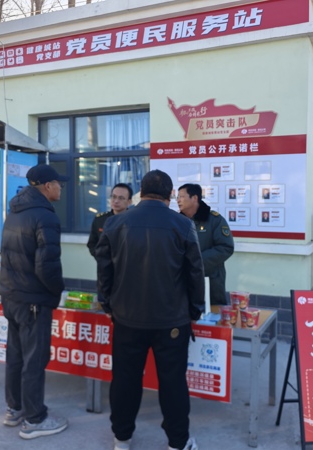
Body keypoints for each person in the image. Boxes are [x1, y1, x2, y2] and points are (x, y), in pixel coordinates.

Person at [96, 170, 204, 450]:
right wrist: (195, 311)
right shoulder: (183, 225)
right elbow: (195, 273)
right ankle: (178, 443)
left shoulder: (115, 223)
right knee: (173, 383)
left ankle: (121, 439)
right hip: (172, 320)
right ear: (170, 195)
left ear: (141, 193)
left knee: (125, 380)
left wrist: (107, 304)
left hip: (127, 318)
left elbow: (104, 269)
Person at [0, 163, 69, 440]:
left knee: (16, 355)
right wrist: (56, 292)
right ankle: (34, 419)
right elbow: (47, 266)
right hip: (33, 300)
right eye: (58, 183)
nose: (61, 188)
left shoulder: (15, 210)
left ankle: (14, 409)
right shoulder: (45, 215)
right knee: (34, 359)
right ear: (47, 186)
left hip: (11, 295)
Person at [177, 183, 234, 306]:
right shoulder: (177, 221)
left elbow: (225, 247)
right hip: (183, 282)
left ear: (194, 198)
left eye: (181, 196)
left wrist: (196, 262)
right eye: (177, 197)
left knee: (213, 314)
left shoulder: (214, 220)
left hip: (210, 281)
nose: (178, 200)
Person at [87, 183, 133, 260]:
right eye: (113, 197)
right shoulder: (100, 220)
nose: (116, 201)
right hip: (106, 264)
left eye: (121, 198)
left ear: (129, 202)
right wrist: (102, 258)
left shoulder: (134, 220)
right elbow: (92, 244)